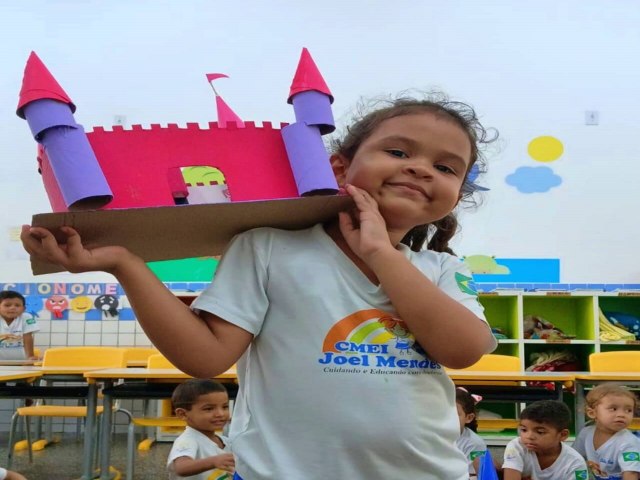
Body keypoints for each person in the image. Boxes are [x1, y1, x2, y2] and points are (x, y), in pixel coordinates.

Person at [21, 93, 498, 479]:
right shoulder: (267, 248)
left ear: (457, 194)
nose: (420, 168)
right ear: (338, 169)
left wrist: (380, 254)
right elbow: (204, 357)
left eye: (446, 167)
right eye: (397, 151)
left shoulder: (440, 269)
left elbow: (462, 350)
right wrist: (125, 262)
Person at [502, 400, 588, 480]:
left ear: (563, 435)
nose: (529, 436)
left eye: (540, 432)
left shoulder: (575, 463)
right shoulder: (517, 446)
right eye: (524, 430)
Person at [167, 379, 235, 479]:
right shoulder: (188, 440)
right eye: (209, 409)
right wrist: (213, 461)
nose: (220, 414)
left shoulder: (225, 441)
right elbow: (181, 467)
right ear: (183, 414)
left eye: (225, 407)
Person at [573, 383, 640, 479]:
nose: (621, 414)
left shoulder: (629, 442)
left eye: (628, 410)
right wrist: (586, 464)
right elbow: (574, 458)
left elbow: (631, 475)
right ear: (592, 413)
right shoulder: (586, 433)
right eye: (613, 409)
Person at [455, 387, 489, 477]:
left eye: (454, 413)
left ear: (469, 418)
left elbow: (477, 476)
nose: (448, 417)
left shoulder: (475, 444)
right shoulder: (431, 436)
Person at [0, 291, 39, 360]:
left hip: (20, 362)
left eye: (17, 305)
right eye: (7, 305)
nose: (12, 308)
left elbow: (27, 337)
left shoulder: (26, 317)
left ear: (24, 309)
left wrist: (30, 357)